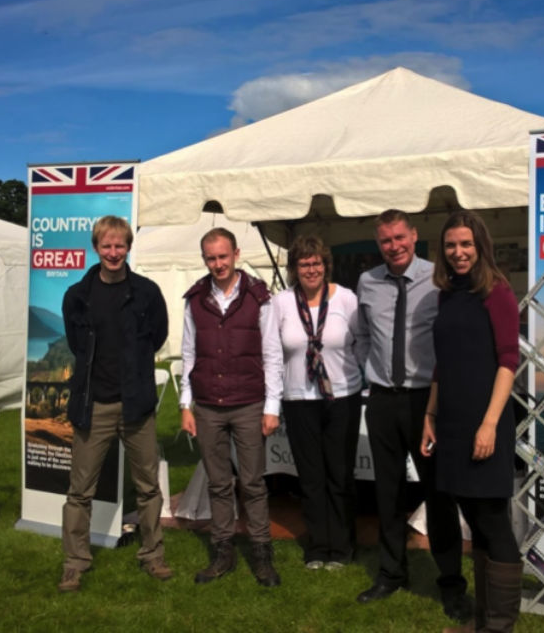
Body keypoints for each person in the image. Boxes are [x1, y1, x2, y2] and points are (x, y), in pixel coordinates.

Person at [354, 209, 471, 622]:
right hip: (384, 401)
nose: (394, 246)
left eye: (400, 237)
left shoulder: (439, 279)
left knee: (439, 495)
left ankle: (452, 584)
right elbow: (363, 334)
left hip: (428, 402)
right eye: (385, 240)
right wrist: (369, 374)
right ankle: (391, 573)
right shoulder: (368, 283)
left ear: (414, 236)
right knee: (387, 493)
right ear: (378, 243)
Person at [58, 215, 172, 592]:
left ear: (128, 247)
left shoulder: (147, 292)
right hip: (95, 405)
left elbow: (157, 336)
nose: (113, 252)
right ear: (96, 248)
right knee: (80, 492)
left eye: (119, 245)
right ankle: (75, 562)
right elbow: (78, 346)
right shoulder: (77, 295)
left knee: (148, 487)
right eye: (106, 246)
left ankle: (153, 555)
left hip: (136, 403)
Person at [421, 210, 522, 632]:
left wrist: (490, 424)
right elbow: (443, 365)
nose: (459, 253)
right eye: (451, 245)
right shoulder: (447, 294)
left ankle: (498, 626)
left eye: (466, 244)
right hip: (452, 422)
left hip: (485, 421)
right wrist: (430, 413)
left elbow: (508, 361)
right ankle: (481, 621)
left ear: (480, 245)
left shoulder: (496, 292)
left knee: (493, 523)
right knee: (474, 522)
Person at [179, 227, 283, 587]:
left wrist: (272, 406)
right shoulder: (194, 299)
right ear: (204, 259)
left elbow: (271, 353)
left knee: (253, 483)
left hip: (249, 403)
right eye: (211, 258)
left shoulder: (259, 296)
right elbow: (189, 353)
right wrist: (185, 404)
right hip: (207, 404)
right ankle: (222, 551)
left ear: (236, 254)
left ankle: (261, 554)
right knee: (218, 483)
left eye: (223, 256)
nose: (218, 264)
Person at [273, 235, 362, 570]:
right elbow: (272, 353)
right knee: (310, 477)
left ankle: (342, 546)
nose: (311, 269)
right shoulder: (281, 303)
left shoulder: (347, 299)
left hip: (342, 396)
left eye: (316, 262)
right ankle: (317, 546)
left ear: (326, 264)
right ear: (295, 268)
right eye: (304, 263)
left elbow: (360, 342)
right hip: (299, 398)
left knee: (340, 474)